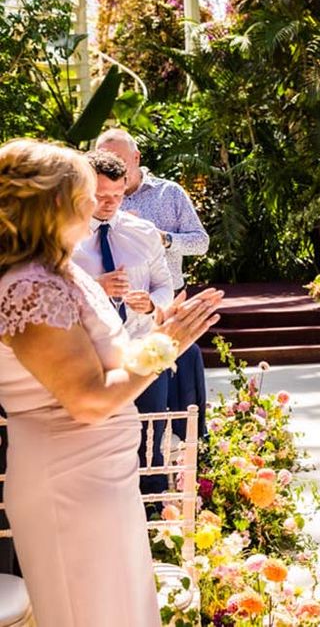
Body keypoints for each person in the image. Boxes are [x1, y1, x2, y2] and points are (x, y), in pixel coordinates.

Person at [0, 138, 222, 626]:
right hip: (71, 484)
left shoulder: (56, 270)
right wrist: (168, 345)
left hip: (99, 475)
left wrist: (164, 329)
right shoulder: (28, 287)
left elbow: (108, 360)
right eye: (85, 193)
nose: (96, 204)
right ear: (56, 202)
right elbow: (87, 399)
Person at [71, 149, 174, 495]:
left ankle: (155, 504)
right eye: (101, 196)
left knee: (150, 431)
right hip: (89, 356)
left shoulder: (144, 232)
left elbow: (165, 285)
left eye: (117, 195)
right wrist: (96, 288)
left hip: (142, 347)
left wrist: (152, 304)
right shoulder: (65, 237)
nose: (110, 203)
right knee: (95, 436)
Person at [95, 128, 210, 440]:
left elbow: (201, 243)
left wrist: (165, 239)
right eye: (105, 159)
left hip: (166, 307)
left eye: (118, 159)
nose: (112, 166)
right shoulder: (83, 213)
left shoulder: (168, 193)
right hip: (103, 330)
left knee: (172, 387)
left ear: (136, 158)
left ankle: (187, 443)